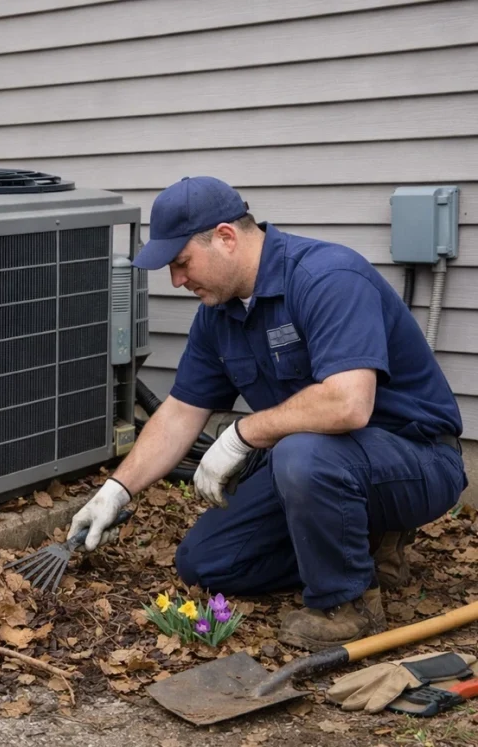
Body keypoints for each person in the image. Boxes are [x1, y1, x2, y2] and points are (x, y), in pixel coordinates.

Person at [68, 176, 468, 652]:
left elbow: (348, 403)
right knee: (207, 563)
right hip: (317, 472)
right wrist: (117, 488)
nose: (177, 281)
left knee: (301, 452)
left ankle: (347, 603)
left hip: (416, 460)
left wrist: (242, 434)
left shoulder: (327, 278)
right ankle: (363, 542)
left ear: (226, 237)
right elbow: (179, 412)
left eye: (181, 263)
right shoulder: (220, 315)